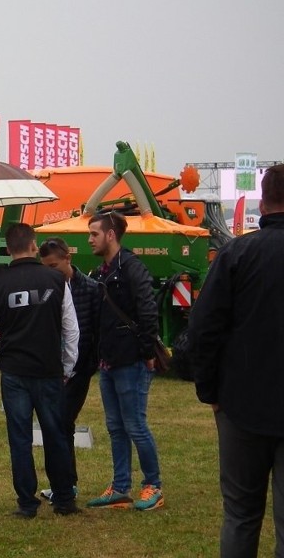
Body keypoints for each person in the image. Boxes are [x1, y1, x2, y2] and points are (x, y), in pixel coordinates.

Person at [189, 163, 284, 558]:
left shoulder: (237, 253)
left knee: (240, 514)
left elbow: (202, 329)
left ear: (262, 203)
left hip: (240, 404)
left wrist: (209, 391)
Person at [0, 223, 81, 518]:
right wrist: (67, 367)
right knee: (55, 434)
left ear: (8, 249)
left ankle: (26, 503)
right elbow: (72, 331)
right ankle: (64, 500)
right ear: (34, 245)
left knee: (19, 437)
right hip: (49, 371)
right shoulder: (57, 280)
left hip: (15, 373)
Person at [85, 210, 164, 511]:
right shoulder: (102, 271)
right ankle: (120, 487)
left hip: (131, 360)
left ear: (111, 235)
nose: (89, 239)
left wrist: (145, 353)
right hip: (109, 361)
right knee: (115, 427)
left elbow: (147, 311)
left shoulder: (132, 268)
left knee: (135, 425)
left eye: (94, 233)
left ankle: (152, 485)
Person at [37, 236, 101, 503]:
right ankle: (64, 483)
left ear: (68, 259)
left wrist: (80, 367)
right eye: (45, 267)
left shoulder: (91, 289)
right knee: (58, 426)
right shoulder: (46, 289)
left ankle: (67, 485)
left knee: (63, 423)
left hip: (79, 368)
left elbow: (92, 332)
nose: (50, 271)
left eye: (53, 265)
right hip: (52, 369)